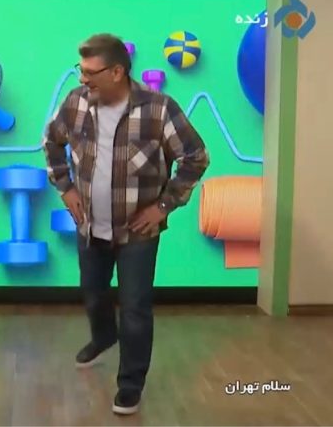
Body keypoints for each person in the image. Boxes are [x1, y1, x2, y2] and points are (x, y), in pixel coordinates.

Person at [42, 34, 209, 415]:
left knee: (134, 308)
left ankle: (130, 385)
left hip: (138, 233)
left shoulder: (159, 109)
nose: (82, 78)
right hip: (90, 227)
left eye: (90, 72)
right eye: (80, 69)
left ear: (117, 72)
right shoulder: (76, 103)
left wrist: (164, 206)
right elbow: (51, 142)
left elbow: (196, 157)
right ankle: (103, 337)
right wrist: (66, 188)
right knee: (94, 294)